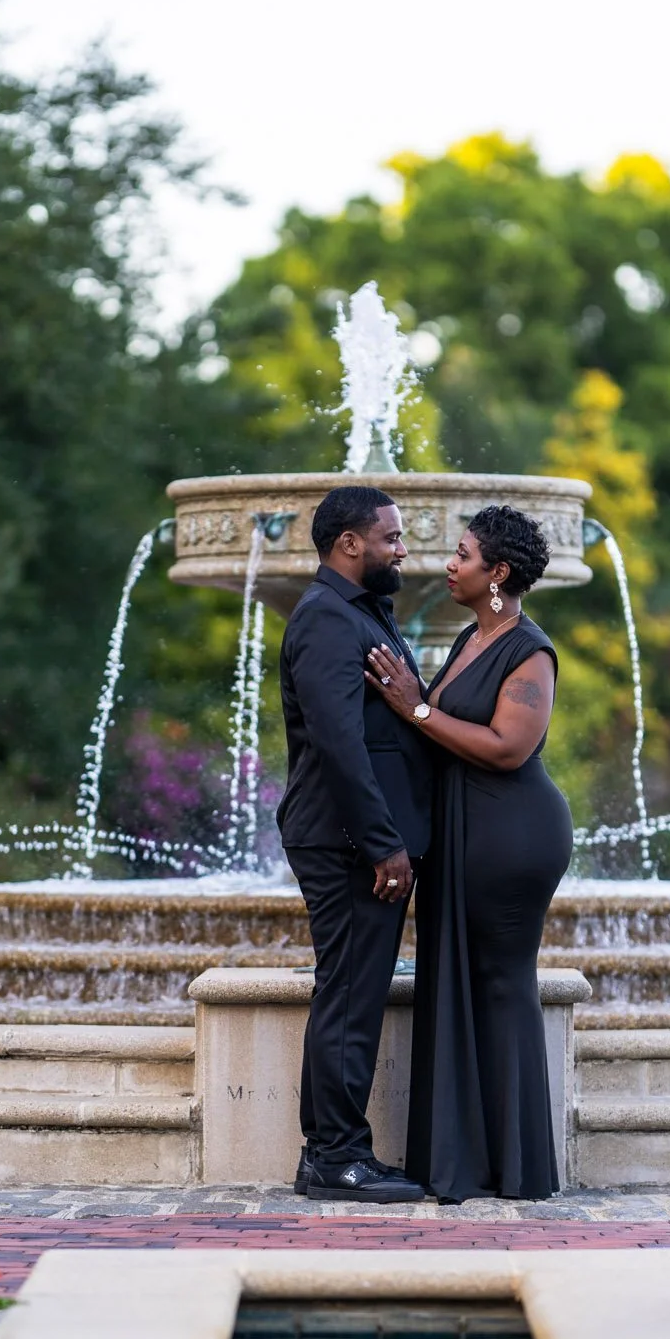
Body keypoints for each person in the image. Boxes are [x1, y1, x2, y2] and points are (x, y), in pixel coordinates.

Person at [364, 504, 573, 1202]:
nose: (448, 566)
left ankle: (519, 1169)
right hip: (462, 832)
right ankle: (466, 1160)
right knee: (462, 982)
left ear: (497, 573)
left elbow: (508, 747)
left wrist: (413, 709)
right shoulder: (468, 639)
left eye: (461, 556)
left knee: (502, 984)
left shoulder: (529, 650)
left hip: (511, 836)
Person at [277, 485, 432, 1203]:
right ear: (349, 543)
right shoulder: (326, 620)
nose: (402, 550)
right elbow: (340, 746)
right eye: (391, 538)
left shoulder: (356, 613)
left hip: (356, 841)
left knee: (353, 993)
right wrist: (381, 845)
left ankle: (336, 1151)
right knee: (347, 994)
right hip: (345, 844)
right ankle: (334, 1155)